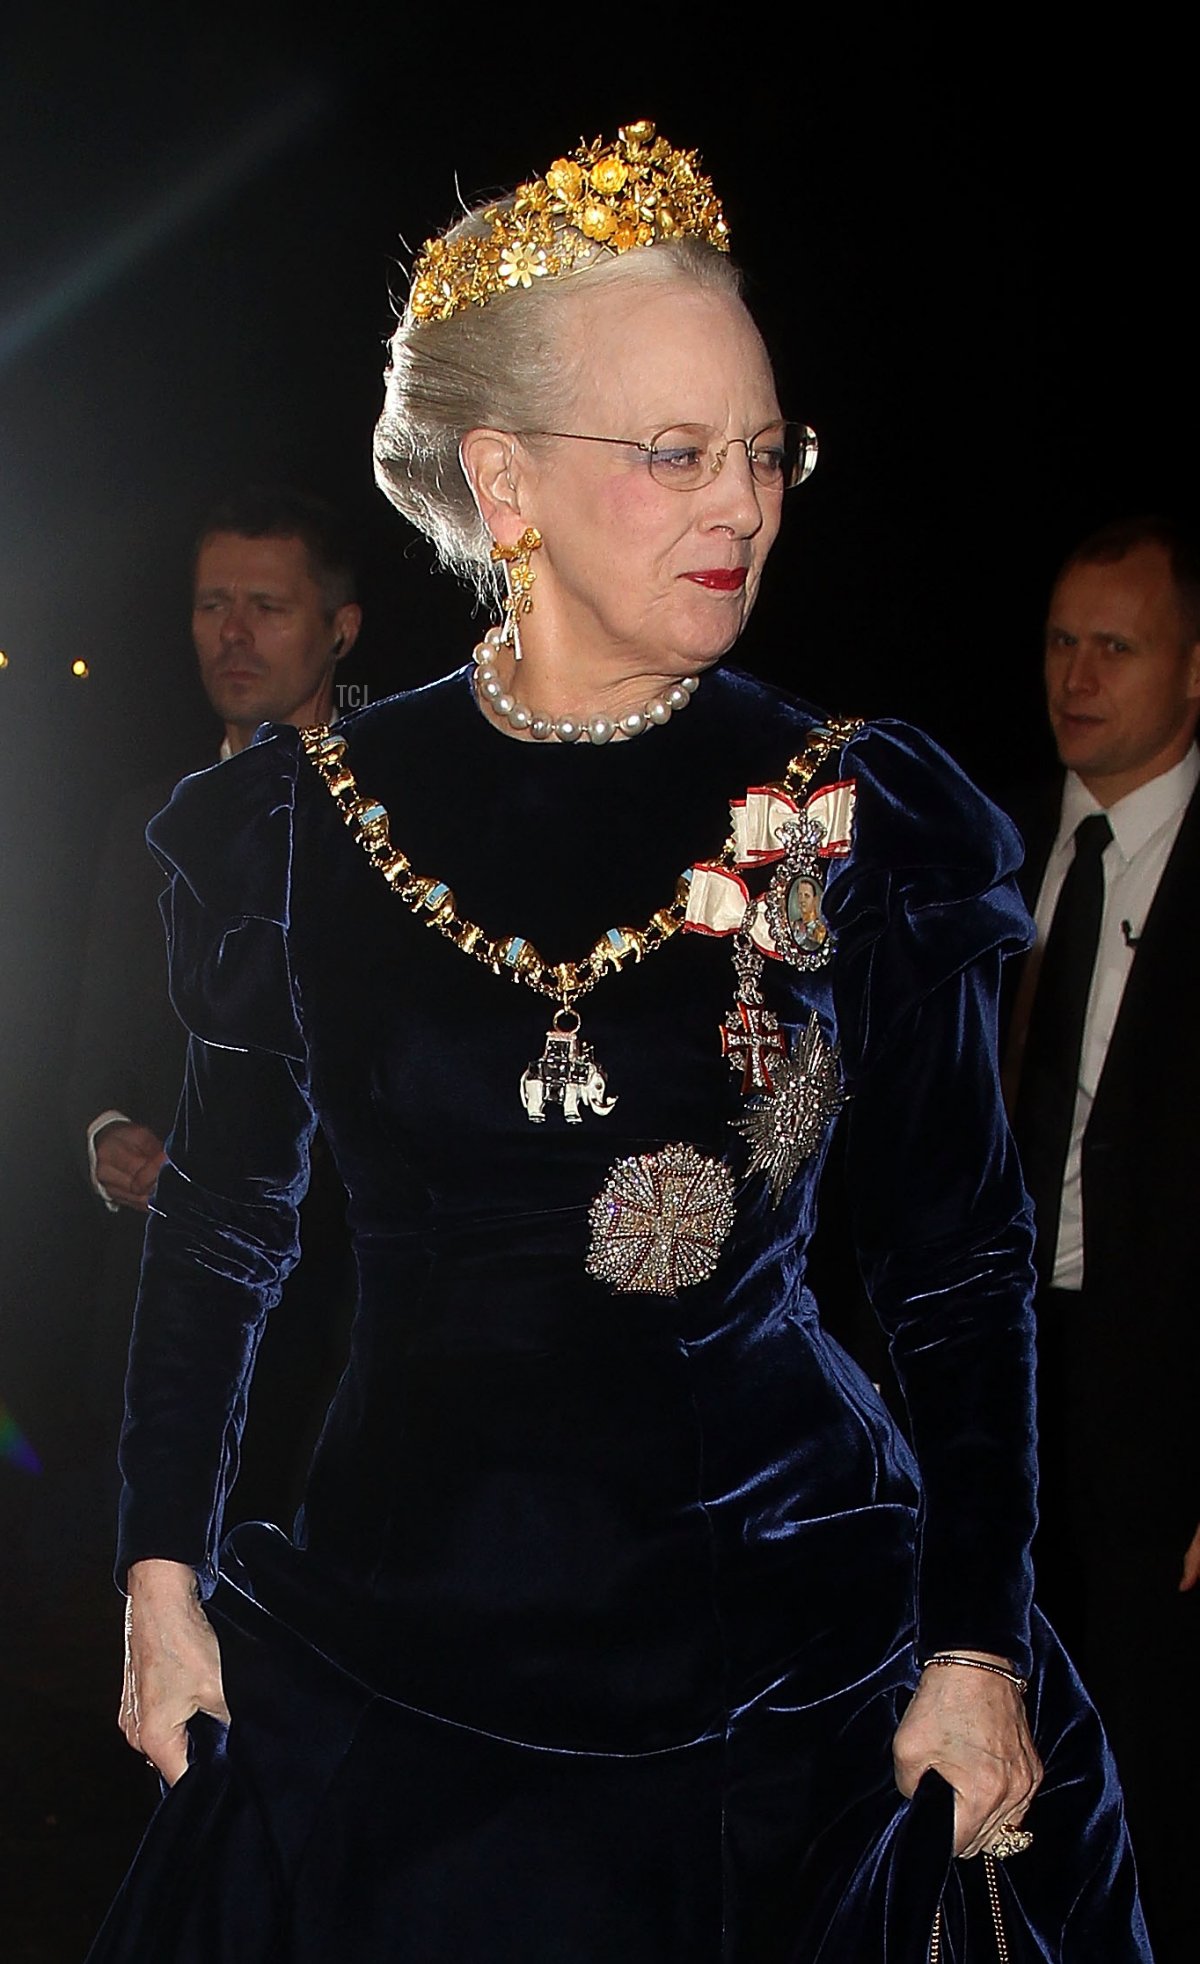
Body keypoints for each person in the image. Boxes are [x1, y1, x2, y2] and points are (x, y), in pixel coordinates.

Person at [89, 124, 1147, 1962]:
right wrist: (161, 1566)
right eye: (675, 455)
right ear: (505, 482)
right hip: (396, 1658)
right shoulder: (308, 821)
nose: (742, 500)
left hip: (795, 1666)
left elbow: (964, 1269)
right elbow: (226, 1222)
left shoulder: (854, 809)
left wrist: (975, 1642)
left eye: (766, 450)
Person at [65, 486, 361, 1529]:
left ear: (339, 627)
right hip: (167, 1345)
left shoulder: (409, 818)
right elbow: (96, 1048)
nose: (232, 634)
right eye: (210, 603)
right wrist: (109, 1136)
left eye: (268, 606)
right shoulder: (144, 819)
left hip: (353, 1352)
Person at [1004, 514, 1200, 1961]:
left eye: (1115, 646)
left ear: (1191, 673)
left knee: (1153, 1771)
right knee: (1020, 1750)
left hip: (1163, 1408)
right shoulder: (1014, 853)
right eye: (1064, 642)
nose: (1079, 675)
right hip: (1016, 1375)